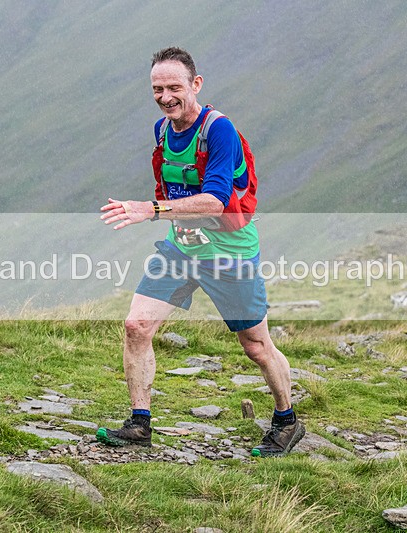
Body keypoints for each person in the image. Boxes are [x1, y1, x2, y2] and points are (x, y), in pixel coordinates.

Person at [97, 47, 305, 457]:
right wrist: (163, 214)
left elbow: (215, 201)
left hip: (229, 253)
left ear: (196, 84)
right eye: (157, 89)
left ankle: (287, 421)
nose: (165, 97)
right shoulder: (162, 130)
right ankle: (139, 423)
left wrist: (151, 210)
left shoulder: (219, 131)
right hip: (182, 249)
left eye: (174, 87)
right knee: (137, 326)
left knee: (256, 345)